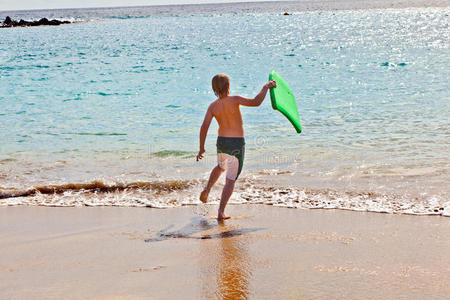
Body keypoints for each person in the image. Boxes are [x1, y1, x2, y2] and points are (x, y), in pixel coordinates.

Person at [196, 73, 276, 220]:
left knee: (220, 166)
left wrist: (201, 148)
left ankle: (207, 190)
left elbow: (204, 127)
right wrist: (265, 87)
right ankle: (221, 212)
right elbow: (256, 102)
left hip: (221, 142)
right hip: (236, 144)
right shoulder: (235, 100)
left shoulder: (213, 106)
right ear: (228, 87)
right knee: (230, 180)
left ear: (214, 89)